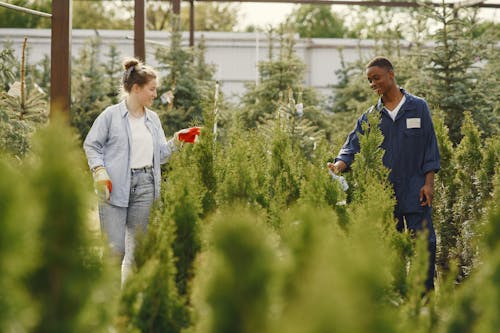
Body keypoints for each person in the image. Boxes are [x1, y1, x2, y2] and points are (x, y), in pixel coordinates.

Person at [84, 57, 199, 286]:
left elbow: (161, 155)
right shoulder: (111, 116)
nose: (155, 94)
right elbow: (91, 145)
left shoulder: (153, 119)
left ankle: (132, 298)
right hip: (114, 186)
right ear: (136, 89)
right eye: (152, 89)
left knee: (139, 250)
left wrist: (177, 140)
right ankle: (109, 301)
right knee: (115, 250)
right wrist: (99, 171)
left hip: (146, 184)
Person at [328, 56, 440, 291]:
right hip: (386, 192)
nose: (373, 84)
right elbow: (352, 146)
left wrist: (429, 183)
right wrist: (338, 165)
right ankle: (397, 294)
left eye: (376, 78)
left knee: (424, 245)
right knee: (392, 246)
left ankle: (424, 298)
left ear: (391, 75)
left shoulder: (418, 107)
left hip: (416, 189)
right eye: (369, 80)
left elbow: (430, 145)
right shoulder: (371, 116)